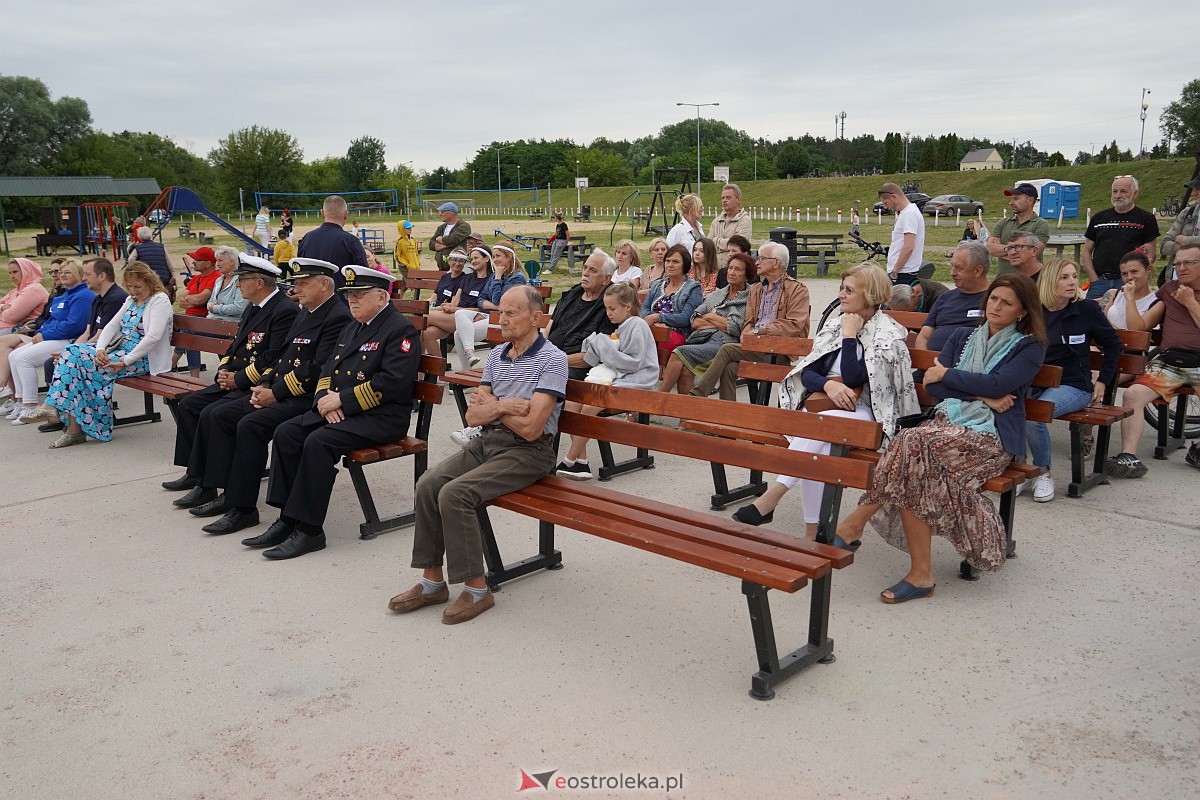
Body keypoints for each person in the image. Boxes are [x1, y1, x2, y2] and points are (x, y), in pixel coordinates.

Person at [836, 273, 1048, 603]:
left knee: (912, 445)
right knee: (915, 458)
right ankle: (919, 574)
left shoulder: (1030, 348)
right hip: (944, 426)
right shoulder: (963, 336)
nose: (996, 306)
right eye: (993, 298)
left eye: (1007, 303)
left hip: (989, 439)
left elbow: (993, 385)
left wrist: (952, 376)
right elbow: (933, 387)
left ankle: (856, 524)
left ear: (1022, 311)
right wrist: (982, 394)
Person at [389, 285, 567, 623]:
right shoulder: (498, 357)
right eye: (501, 311)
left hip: (529, 453)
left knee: (456, 494)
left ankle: (476, 590)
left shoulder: (552, 360)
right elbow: (472, 417)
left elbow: (531, 429)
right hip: (488, 442)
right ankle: (432, 582)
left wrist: (493, 409)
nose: (503, 319)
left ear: (536, 317)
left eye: (512, 313)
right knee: (428, 485)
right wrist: (504, 406)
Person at [732, 264, 919, 535]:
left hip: (869, 412)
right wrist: (829, 385)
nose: (841, 294)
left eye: (849, 290)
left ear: (870, 295)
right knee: (819, 443)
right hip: (828, 409)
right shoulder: (834, 326)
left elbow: (856, 378)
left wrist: (849, 337)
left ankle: (772, 497)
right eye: (841, 288)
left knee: (818, 427)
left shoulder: (887, 335)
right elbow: (808, 374)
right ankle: (812, 533)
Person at [254, 265, 421, 560]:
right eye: (349, 295)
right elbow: (328, 368)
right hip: (347, 409)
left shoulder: (400, 329)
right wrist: (323, 399)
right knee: (287, 433)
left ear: (382, 297)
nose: (352, 300)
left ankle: (309, 531)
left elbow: (392, 382)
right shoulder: (354, 325)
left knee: (318, 443)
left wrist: (342, 401)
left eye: (359, 294)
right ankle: (288, 517)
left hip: (382, 417)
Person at [184, 259, 353, 535]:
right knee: (222, 415)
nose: (296, 288)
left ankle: (244, 508)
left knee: (249, 425)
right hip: (280, 389)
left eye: (303, 283)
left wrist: (274, 392)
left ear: (324, 284)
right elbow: (283, 358)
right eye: (296, 283)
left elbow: (317, 370)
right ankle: (227, 494)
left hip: (305, 396)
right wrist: (264, 383)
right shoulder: (307, 311)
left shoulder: (336, 316)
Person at [161, 255, 300, 506]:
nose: (237, 285)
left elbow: (273, 357)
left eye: (242, 280)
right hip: (235, 377)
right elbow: (235, 347)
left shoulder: (283, 310)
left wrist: (238, 379)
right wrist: (223, 372)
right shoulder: (253, 306)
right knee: (192, 406)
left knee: (214, 414)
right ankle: (197, 473)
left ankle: (212, 483)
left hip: (254, 382)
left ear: (259, 282)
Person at [31, 262, 173, 447]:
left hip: (142, 359)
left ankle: (59, 414)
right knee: (71, 354)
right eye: (129, 287)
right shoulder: (131, 300)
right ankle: (69, 425)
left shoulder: (159, 300)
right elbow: (111, 326)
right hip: (118, 351)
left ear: (150, 282)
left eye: (138, 287)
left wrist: (125, 361)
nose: (133, 291)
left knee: (76, 365)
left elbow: (153, 337)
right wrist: (100, 349)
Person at [1023, 259, 1121, 503]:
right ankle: (1023, 471)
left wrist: (1103, 381)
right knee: (1008, 408)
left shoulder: (1085, 309)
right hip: (1034, 382)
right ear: (1048, 281)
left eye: (1074, 276)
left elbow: (1113, 344)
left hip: (1074, 385)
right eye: (1064, 277)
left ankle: (1044, 472)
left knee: (1035, 415)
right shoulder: (1034, 311)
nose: (1071, 282)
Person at [1105, 243, 1200, 479]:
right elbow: (1141, 326)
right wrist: (1124, 299)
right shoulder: (1169, 290)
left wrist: (1190, 302)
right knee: (1133, 394)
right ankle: (1129, 457)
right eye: (1178, 263)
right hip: (1170, 361)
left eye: (1188, 262)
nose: (1181, 268)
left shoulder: (1183, 295)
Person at [555, 283, 660, 480]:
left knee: (590, 405)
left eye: (612, 309)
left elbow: (633, 363)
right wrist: (597, 344)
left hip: (637, 380)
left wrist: (603, 344)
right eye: (606, 308)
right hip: (618, 379)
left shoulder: (638, 325)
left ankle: (569, 459)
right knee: (571, 403)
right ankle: (581, 462)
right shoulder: (621, 327)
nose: (608, 313)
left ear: (627, 306)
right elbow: (599, 359)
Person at [687, 241, 811, 401]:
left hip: (779, 350)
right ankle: (727, 417)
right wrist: (746, 332)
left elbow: (794, 324)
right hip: (755, 347)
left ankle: (697, 395)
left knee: (727, 349)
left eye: (762, 258)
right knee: (729, 368)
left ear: (776, 263)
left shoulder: (797, 289)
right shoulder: (757, 289)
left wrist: (761, 332)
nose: (757, 262)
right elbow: (749, 321)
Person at [8, 259, 95, 424]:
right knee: (13, 356)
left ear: (78, 274)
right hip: (52, 336)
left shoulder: (83, 296)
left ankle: (31, 404)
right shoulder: (61, 296)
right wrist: (41, 332)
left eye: (67, 272)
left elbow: (74, 326)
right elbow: (50, 320)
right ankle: (19, 401)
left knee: (23, 359)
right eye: (61, 272)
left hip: (68, 340)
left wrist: (45, 335)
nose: (62, 275)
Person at [660, 252, 753, 395]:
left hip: (724, 344)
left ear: (747, 275)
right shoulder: (718, 294)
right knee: (685, 370)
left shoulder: (751, 297)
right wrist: (718, 320)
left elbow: (735, 328)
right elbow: (694, 320)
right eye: (730, 268)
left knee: (679, 352)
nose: (732, 272)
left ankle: (656, 399)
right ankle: (685, 416)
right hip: (702, 338)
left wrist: (709, 315)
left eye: (738, 269)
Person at [1082, 175, 1160, 300]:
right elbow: (1086, 251)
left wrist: (1135, 278)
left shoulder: (1146, 219)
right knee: (1091, 317)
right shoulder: (1098, 218)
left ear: (1135, 194)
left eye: (1123, 191)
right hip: (1100, 281)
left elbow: (1150, 254)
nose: (1118, 195)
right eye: (1115, 191)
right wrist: (1094, 279)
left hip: (1128, 282)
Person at [452, 241, 526, 370]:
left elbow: (500, 301)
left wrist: (497, 277)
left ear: (508, 257)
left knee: (459, 334)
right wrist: (496, 307)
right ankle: (469, 355)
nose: (495, 260)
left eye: (498, 256)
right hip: (493, 316)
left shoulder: (516, 278)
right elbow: (480, 300)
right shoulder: (494, 275)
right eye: (494, 256)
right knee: (459, 314)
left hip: (507, 321)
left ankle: (467, 369)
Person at [914, 241, 992, 351]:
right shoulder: (945, 298)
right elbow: (924, 336)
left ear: (977, 271)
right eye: (952, 266)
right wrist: (925, 362)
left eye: (958, 268)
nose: (952, 273)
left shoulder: (994, 301)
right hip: (930, 364)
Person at [421, 248, 486, 358]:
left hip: (455, 315)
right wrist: (423, 306)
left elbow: (454, 304)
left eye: (461, 261)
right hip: (445, 312)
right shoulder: (446, 277)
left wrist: (441, 308)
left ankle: (413, 362)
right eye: (454, 260)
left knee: (423, 317)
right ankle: (436, 370)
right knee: (427, 334)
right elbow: (436, 298)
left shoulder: (464, 278)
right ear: (449, 261)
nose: (457, 263)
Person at [641, 244, 703, 356]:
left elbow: (685, 318)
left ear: (685, 265)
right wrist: (657, 322)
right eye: (668, 261)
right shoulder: (658, 285)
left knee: (666, 338)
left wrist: (659, 317)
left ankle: (661, 371)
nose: (670, 265)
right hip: (653, 327)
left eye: (675, 262)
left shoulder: (693, 288)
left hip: (678, 332)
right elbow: (644, 308)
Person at [296, 195, 369, 289]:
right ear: (346, 214)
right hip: (342, 300)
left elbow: (300, 273)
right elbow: (363, 277)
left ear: (322, 213)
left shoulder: (307, 239)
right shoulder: (351, 241)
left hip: (312, 299)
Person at [173, 245, 222, 377]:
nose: (193, 262)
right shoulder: (195, 278)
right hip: (191, 321)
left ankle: (173, 363)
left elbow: (201, 299)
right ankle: (193, 376)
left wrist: (192, 300)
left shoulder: (216, 278)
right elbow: (181, 300)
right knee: (188, 332)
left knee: (189, 332)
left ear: (208, 263)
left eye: (197, 260)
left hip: (206, 321)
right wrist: (192, 300)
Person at [988, 183, 1050, 275]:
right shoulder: (1003, 223)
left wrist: (1002, 250)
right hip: (1004, 280)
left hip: (1029, 282)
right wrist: (1020, 251)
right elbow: (990, 248)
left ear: (1030, 200)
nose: (1011, 203)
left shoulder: (1040, 225)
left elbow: (1035, 251)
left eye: (1016, 199)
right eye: (1011, 199)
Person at [877, 182, 925, 285]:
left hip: (903, 274)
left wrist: (895, 271)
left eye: (886, 203)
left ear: (893, 197)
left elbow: (909, 247)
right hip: (901, 272)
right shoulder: (906, 213)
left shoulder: (909, 214)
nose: (885, 207)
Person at [709, 184, 753, 268]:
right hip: (716, 271)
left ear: (738, 200)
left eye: (728, 198)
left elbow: (738, 247)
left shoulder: (744, 221)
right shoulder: (716, 221)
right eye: (723, 198)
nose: (724, 200)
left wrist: (716, 240)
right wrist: (728, 242)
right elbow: (709, 246)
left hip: (735, 270)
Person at [127, 225, 176, 299]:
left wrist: (136, 270)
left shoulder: (138, 249)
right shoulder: (160, 247)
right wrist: (173, 274)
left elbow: (130, 260)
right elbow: (169, 262)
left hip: (148, 278)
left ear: (139, 237)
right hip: (163, 278)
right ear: (151, 236)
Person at [1161, 178, 1200, 269]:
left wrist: (1185, 241)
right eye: (1194, 189)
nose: (1194, 193)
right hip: (1179, 276)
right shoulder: (1187, 213)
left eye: (1198, 189)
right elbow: (1164, 245)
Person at [2, 258, 49, 333]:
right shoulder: (17, 289)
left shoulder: (33, 290)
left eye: (15, 272)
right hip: (7, 327)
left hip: (20, 329)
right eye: (10, 273)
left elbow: (11, 317)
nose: (12, 276)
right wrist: (2, 307)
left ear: (26, 271)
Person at [207, 246, 249, 321]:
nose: (217, 264)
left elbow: (238, 308)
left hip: (231, 325)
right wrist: (218, 307)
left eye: (220, 260)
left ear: (232, 262)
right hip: (211, 322)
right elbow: (210, 303)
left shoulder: (241, 280)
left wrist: (215, 308)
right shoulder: (219, 280)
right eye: (217, 261)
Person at [428, 202, 472, 271]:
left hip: (458, 267)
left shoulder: (464, 226)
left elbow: (453, 239)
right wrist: (449, 244)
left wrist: (442, 240)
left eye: (442, 212)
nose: (440, 214)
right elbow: (431, 245)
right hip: (442, 267)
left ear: (450, 214)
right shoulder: (441, 228)